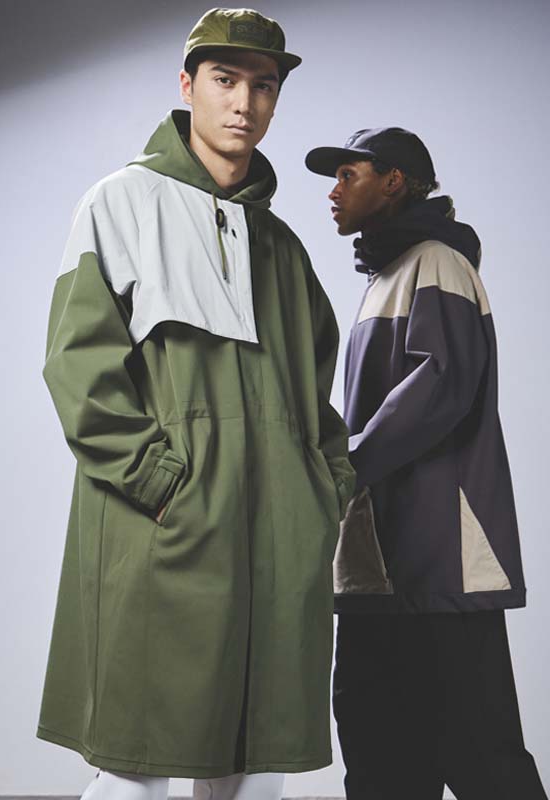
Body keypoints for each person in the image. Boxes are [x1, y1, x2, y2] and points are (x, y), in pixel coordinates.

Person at [37, 8, 356, 800]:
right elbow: (79, 366)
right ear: (187, 85)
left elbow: (315, 395)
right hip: (165, 529)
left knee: (255, 768)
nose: (244, 102)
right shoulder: (120, 204)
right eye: (224, 79)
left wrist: (327, 488)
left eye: (263, 85)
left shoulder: (282, 247)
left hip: (278, 540)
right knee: (135, 767)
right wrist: (159, 483)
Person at [305, 128, 548, 800]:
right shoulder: (389, 274)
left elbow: (440, 384)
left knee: (481, 755)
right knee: (380, 756)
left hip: (438, 558)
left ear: (394, 181)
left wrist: (342, 465)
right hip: (379, 563)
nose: (333, 192)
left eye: (348, 175)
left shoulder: (436, 262)